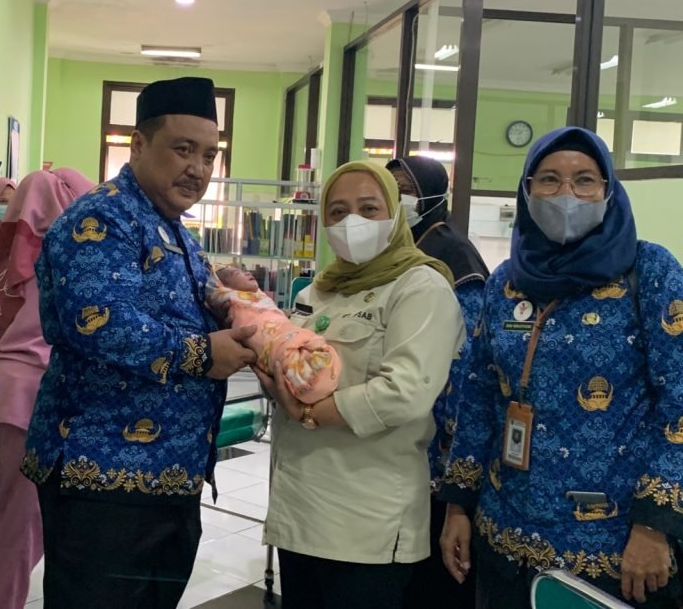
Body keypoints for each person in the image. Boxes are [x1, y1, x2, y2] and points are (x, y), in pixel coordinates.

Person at [20, 76, 258, 609]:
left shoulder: (173, 227)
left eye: (209, 155)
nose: (197, 168)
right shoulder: (102, 218)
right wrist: (205, 354)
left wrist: (226, 297)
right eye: (183, 149)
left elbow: (173, 307)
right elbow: (100, 322)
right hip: (104, 482)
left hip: (167, 477)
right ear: (139, 144)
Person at [438, 127, 683, 608]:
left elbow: (679, 402)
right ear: (527, 191)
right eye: (548, 179)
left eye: (584, 180)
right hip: (505, 533)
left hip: (617, 549)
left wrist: (655, 525)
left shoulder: (650, 272)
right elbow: (480, 395)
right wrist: (458, 505)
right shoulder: (506, 282)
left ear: (608, 190)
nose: (566, 193)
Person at [256, 160, 464, 609]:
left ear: (395, 215)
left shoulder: (421, 287)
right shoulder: (318, 290)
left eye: (369, 209)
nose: (352, 222)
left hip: (368, 524)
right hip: (299, 511)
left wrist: (309, 412)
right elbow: (289, 365)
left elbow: (405, 392)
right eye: (338, 211)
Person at [0, 167, 95, 609]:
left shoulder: (11, 258)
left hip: (7, 397)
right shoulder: (76, 266)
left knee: (4, 529)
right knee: (14, 537)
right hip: (34, 405)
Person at [387, 156, 489, 609]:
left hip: (438, 454)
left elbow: (465, 367)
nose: (396, 200)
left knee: (434, 580)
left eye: (404, 190)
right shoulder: (397, 251)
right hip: (398, 442)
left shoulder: (454, 259)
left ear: (431, 197)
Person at [209, 265, 340, 403]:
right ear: (223, 287)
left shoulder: (260, 298)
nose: (247, 272)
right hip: (274, 344)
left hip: (287, 339)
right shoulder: (232, 300)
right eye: (236, 273)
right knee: (286, 357)